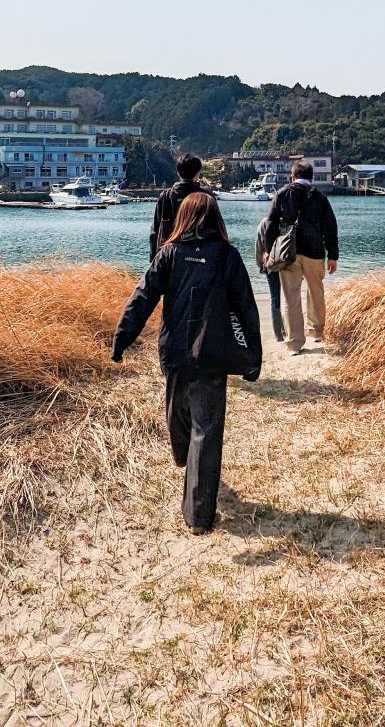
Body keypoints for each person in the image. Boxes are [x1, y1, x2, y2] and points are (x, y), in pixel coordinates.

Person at [113, 191, 261, 534]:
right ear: (216, 219)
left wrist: (122, 340)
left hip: (176, 354)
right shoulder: (226, 256)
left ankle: (196, 511)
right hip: (211, 354)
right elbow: (246, 311)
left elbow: (141, 299)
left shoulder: (170, 254)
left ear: (182, 218)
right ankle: (190, 471)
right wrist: (252, 357)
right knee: (203, 429)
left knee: (182, 415)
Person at [265, 161, 339, 354]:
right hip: (314, 251)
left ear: (292, 176)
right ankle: (316, 332)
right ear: (312, 177)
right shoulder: (320, 197)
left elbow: (271, 223)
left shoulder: (282, 194)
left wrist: (267, 250)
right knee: (316, 292)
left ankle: (294, 343)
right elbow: (330, 227)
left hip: (288, 253)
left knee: (291, 298)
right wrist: (333, 255)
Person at [149, 153, 207, 263]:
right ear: (198, 173)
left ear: (178, 173)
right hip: (200, 259)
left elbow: (155, 231)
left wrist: (153, 262)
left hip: (168, 258)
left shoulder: (166, 196)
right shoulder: (206, 197)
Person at [253, 210, 286, 343]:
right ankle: (289, 330)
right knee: (290, 299)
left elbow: (258, 246)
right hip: (288, 265)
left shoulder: (264, 222)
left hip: (271, 266)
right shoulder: (290, 222)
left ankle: (278, 334)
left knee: (275, 298)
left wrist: (261, 265)